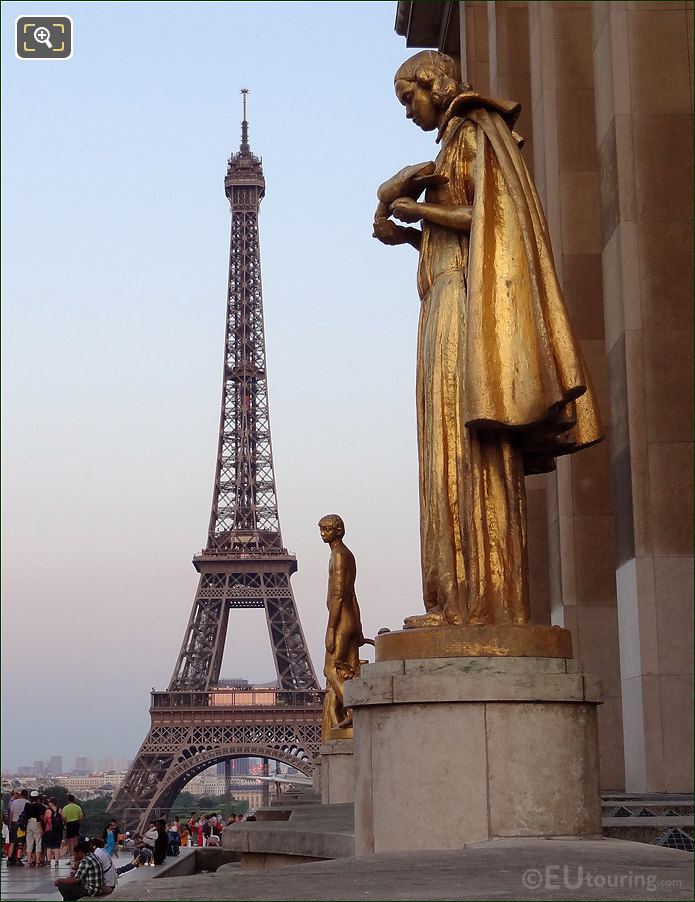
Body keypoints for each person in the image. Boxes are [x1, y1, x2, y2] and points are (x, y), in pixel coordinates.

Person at [374, 51, 601, 630]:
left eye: (408, 99)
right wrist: (409, 230)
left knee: (463, 444)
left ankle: (480, 603)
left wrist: (412, 207)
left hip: (461, 306)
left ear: (433, 85)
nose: (408, 113)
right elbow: (466, 226)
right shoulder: (455, 140)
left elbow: (488, 219)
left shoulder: (476, 129)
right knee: (447, 448)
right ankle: (453, 599)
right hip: (444, 301)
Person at [24, 790, 46, 867]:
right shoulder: (39, 806)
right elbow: (39, 818)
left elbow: (25, 816)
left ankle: (29, 861)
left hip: (28, 823)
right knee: (38, 843)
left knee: (29, 843)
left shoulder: (27, 805)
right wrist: (40, 828)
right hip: (36, 824)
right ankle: (37, 861)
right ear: (37, 798)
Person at [7, 788, 28, 866]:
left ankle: (9, 859)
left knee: (12, 842)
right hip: (22, 825)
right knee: (20, 842)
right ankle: (18, 859)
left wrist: (10, 824)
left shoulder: (14, 802)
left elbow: (11, 814)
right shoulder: (27, 802)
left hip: (14, 823)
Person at [62, 795, 83, 862]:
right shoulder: (78, 807)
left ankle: (71, 859)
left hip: (69, 824)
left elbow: (64, 818)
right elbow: (81, 816)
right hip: (76, 823)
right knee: (75, 842)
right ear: (74, 799)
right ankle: (77, 857)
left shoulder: (65, 808)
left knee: (70, 843)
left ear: (68, 800)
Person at [43, 798, 64, 866]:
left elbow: (44, 820)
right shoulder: (60, 810)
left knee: (49, 847)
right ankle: (57, 862)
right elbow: (64, 819)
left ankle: (49, 862)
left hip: (49, 830)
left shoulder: (48, 811)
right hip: (58, 831)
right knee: (57, 847)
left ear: (51, 803)